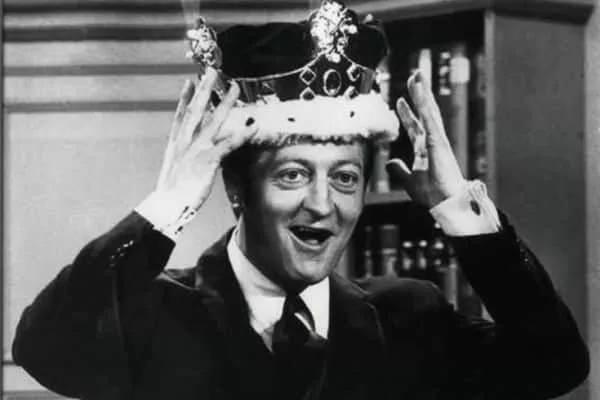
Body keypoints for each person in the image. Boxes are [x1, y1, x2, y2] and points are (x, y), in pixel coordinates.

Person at [12, 1, 589, 399]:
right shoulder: (155, 314)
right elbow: (45, 349)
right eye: (292, 175)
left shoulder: (409, 317)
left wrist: (462, 214)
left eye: (345, 179)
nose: (322, 204)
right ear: (236, 189)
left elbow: (556, 363)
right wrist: (169, 203)